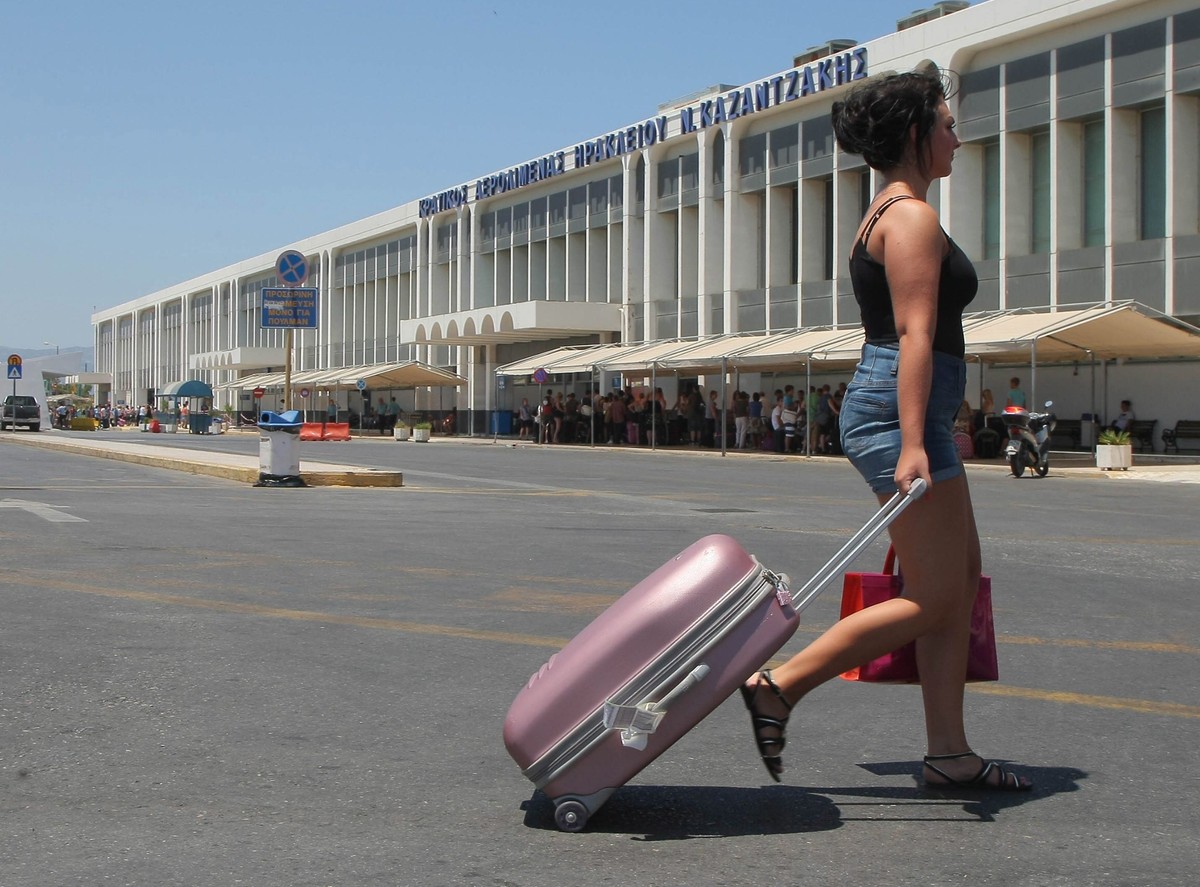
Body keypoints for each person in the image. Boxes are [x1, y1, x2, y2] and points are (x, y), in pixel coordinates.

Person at [739, 65, 1031, 792]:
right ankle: (779, 683)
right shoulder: (909, 218)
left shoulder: (889, 213)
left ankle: (948, 750)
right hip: (898, 414)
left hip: (916, 411)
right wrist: (912, 443)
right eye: (945, 123)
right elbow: (913, 335)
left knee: (955, 583)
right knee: (933, 594)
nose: (956, 139)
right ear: (914, 133)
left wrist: (934, 418)